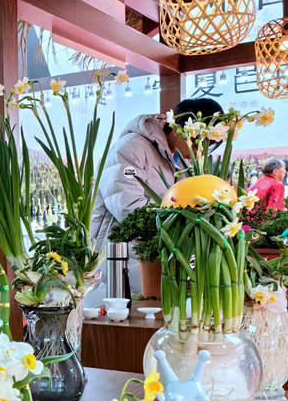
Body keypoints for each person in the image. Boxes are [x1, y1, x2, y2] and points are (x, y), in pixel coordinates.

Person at [89, 97, 224, 300]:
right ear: (180, 128)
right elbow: (128, 208)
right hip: (120, 261)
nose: (200, 151)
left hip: (154, 259)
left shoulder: (180, 160)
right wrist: (186, 223)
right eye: (199, 143)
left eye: (209, 145)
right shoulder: (131, 147)